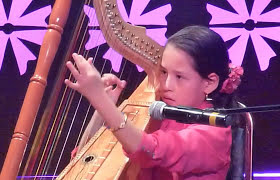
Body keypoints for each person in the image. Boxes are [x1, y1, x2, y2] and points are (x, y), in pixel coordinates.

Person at [64, 25, 244, 180]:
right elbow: (84, 160)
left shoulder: (214, 132)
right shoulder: (162, 114)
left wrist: (99, 99)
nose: (165, 85)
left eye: (179, 76)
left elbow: (150, 150)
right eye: (164, 72)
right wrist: (102, 110)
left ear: (209, 83)